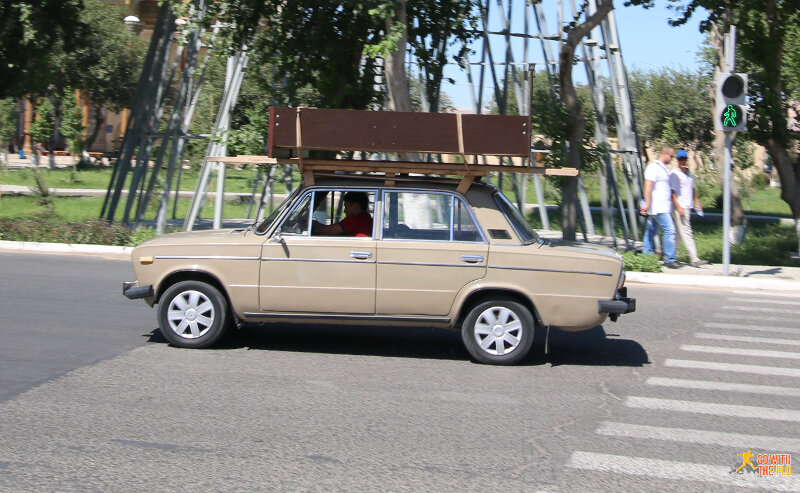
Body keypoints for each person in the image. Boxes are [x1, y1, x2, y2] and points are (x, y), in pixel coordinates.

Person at [639, 146, 680, 269]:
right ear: (664, 154)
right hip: (658, 207)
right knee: (670, 230)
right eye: (671, 156)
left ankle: (646, 255)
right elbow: (648, 186)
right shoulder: (653, 167)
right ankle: (669, 259)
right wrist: (647, 203)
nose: (672, 159)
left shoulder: (663, 168)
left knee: (651, 231)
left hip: (662, 206)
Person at [669, 149, 708, 267]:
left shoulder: (689, 173)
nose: (682, 161)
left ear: (687, 159)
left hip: (687, 206)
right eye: (680, 159)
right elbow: (673, 192)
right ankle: (694, 259)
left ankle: (669, 256)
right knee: (687, 232)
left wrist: (697, 202)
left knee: (678, 234)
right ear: (677, 160)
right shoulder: (674, 174)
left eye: (684, 159)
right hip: (680, 207)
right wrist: (678, 207)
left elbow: (692, 189)